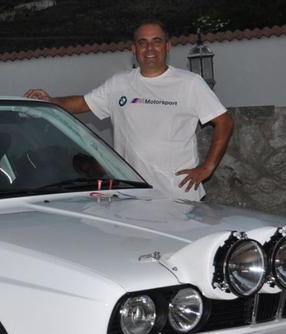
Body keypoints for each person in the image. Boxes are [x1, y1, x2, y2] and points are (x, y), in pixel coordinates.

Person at [25, 21, 234, 200]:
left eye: (156, 41)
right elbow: (82, 103)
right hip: (132, 195)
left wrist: (207, 168)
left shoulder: (189, 83)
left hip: (179, 196)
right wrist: (50, 100)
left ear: (168, 47)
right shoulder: (119, 83)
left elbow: (224, 122)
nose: (149, 48)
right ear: (134, 49)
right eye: (142, 43)